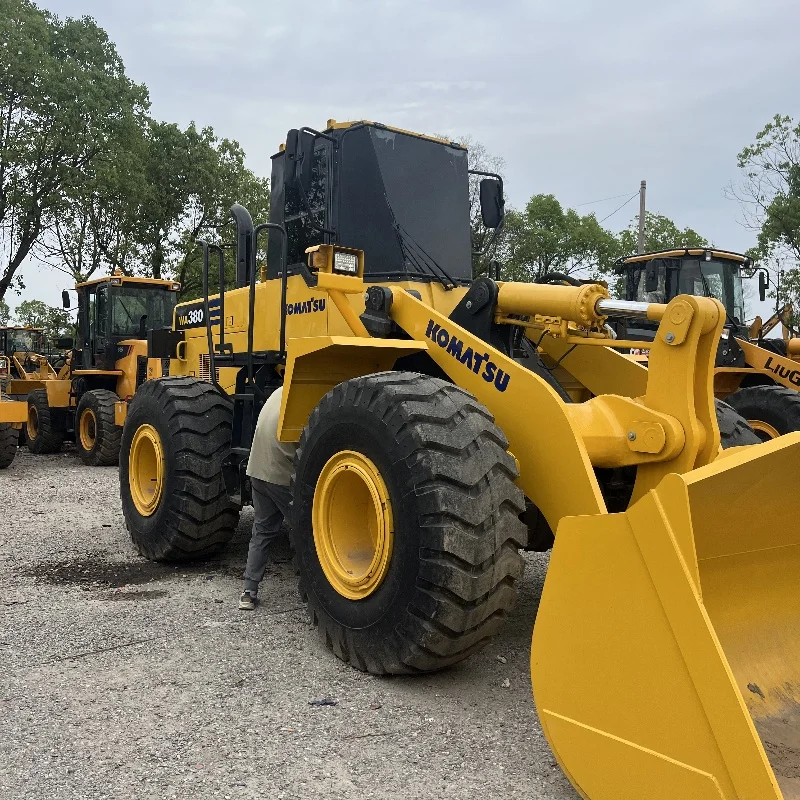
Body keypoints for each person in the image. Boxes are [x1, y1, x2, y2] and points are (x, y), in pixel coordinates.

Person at [239, 385, 297, 611]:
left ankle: (248, 592)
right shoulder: (310, 397)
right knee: (309, 531)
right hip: (280, 477)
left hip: (257, 471)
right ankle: (318, 591)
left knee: (261, 532)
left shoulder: (278, 392)